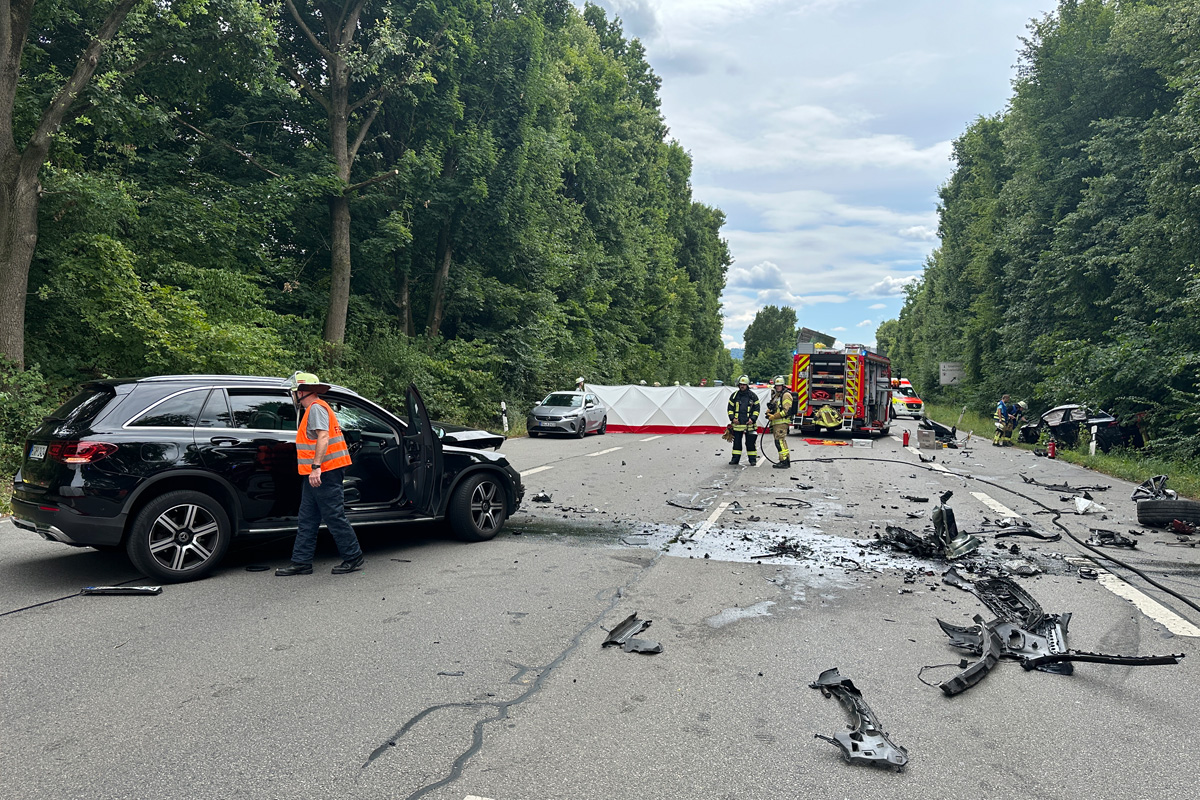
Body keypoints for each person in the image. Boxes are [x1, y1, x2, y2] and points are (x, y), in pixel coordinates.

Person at [276, 372, 366, 576]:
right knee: (308, 517)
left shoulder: (316, 408)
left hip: (325, 471)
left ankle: (353, 556)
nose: (293, 396)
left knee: (333, 515)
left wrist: (316, 467)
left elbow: (323, 438)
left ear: (303, 392)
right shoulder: (313, 409)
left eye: (294, 392)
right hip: (318, 472)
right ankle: (301, 561)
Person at [726, 375, 760, 466]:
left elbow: (757, 409)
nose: (742, 386)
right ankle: (735, 459)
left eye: (744, 384)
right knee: (736, 443)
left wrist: (752, 419)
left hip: (750, 424)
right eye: (741, 384)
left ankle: (752, 460)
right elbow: (730, 409)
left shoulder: (753, 396)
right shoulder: (734, 396)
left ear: (747, 385)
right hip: (737, 424)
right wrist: (733, 418)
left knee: (750, 443)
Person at [766, 376, 794, 469]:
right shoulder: (777, 395)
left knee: (780, 442)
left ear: (783, 385)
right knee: (780, 442)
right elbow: (774, 406)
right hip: (776, 423)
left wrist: (774, 416)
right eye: (776, 385)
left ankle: (784, 462)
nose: (777, 387)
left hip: (781, 423)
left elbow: (786, 411)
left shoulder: (786, 395)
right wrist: (769, 412)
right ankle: (784, 460)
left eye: (779, 385)